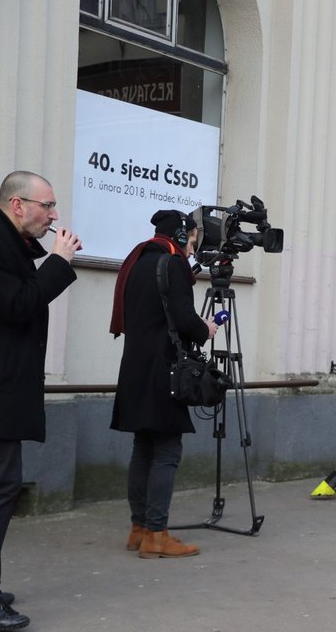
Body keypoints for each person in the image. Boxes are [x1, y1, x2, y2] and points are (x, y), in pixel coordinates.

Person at [0, 171, 80, 631]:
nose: (53, 216)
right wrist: (59, 261)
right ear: (17, 205)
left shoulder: (1, 241)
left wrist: (48, 253)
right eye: (46, 206)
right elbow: (18, 305)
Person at [109, 210, 219, 558]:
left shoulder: (139, 260)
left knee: (144, 448)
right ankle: (157, 535)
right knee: (167, 451)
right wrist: (207, 329)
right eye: (192, 237)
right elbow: (185, 319)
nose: (193, 245)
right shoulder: (172, 264)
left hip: (136, 367)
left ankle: (139, 529)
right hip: (165, 369)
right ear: (182, 234)